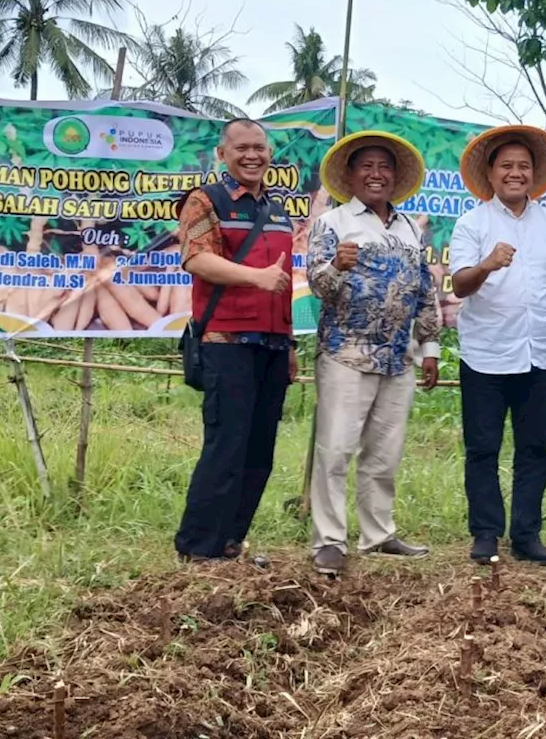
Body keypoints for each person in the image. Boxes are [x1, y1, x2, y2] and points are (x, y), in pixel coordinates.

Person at [306, 131, 441, 576]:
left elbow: (425, 290)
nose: (376, 174)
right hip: (346, 353)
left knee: (384, 454)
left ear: (396, 177)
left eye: (384, 167)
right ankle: (329, 540)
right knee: (336, 449)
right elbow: (318, 288)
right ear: (349, 175)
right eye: (366, 166)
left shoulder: (408, 229)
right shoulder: (333, 223)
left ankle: (378, 534)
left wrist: (430, 348)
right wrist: (336, 267)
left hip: (397, 358)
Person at [449, 125, 546, 566]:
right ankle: (486, 533)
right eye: (507, 165)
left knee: (535, 447)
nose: (516, 173)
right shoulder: (472, 223)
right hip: (484, 355)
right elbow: (460, 285)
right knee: (482, 448)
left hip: (536, 354)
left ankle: (526, 535)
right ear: (491, 172)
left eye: (524, 166)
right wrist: (487, 264)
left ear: (534, 173)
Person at [174, 118, 297, 563]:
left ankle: (231, 542)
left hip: (273, 345)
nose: (252, 156)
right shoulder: (205, 200)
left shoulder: (278, 209)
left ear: (269, 154)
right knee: (226, 445)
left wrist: (290, 346)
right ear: (222, 155)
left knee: (259, 450)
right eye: (242, 148)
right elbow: (197, 258)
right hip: (225, 342)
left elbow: (283, 282)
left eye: (259, 148)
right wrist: (256, 278)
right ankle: (197, 547)